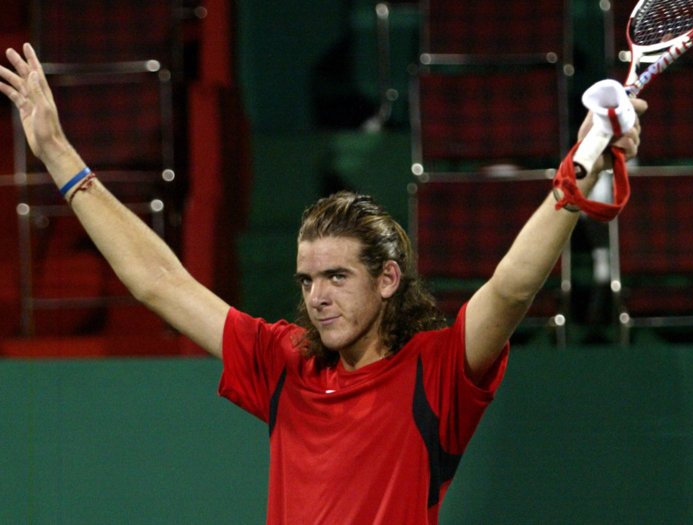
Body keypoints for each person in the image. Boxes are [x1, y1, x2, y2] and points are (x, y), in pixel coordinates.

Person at [0, 43, 646, 524]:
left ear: (389, 278)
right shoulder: (282, 362)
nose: (317, 295)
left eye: (337, 275)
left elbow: (509, 288)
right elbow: (159, 281)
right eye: (308, 279)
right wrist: (57, 153)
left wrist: (577, 180)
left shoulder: (438, 371)